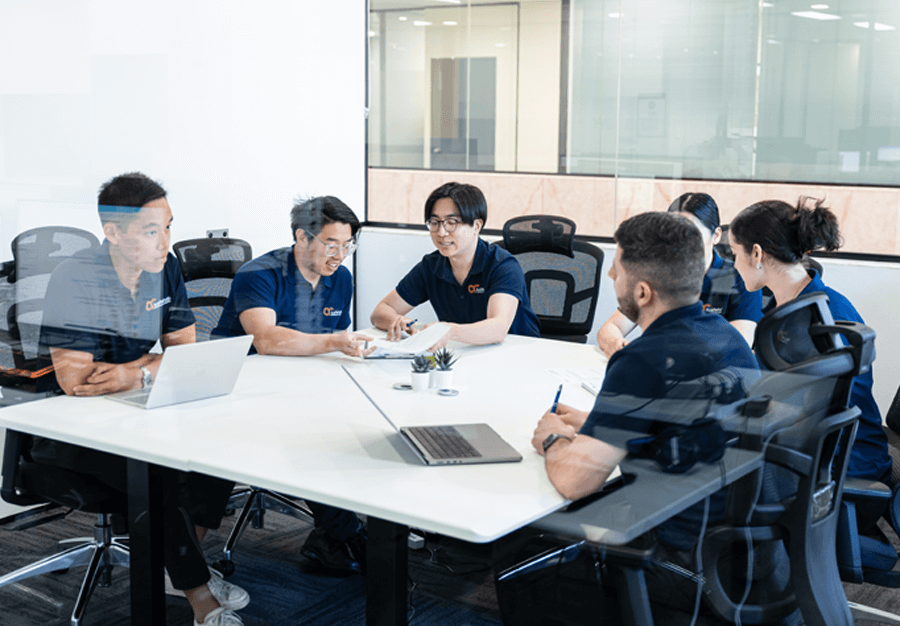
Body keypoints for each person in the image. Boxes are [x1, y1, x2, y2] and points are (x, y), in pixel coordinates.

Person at [34, 172, 247, 626]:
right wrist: (152, 365)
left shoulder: (165, 267)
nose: (165, 242)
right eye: (152, 231)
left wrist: (134, 372)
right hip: (75, 430)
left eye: (168, 227)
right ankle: (199, 596)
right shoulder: (76, 278)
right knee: (157, 472)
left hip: (139, 408)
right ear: (112, 233)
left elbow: (184, 352)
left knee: (225, 444)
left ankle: (178, 564)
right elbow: (78, 381)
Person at [531, 211, 758, 612]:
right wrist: (592, 424)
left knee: (530, 542)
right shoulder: (725, 336)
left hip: (680, 563)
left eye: (616, 270)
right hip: (744, 555)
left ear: (642, 293)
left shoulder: (643, 359)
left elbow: (574, 480)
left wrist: (551, 438)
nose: (609, 278)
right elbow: (688, 429)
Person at [212, 195, 369, 575]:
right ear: (302, 237)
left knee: (358, 425)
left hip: (300, 390)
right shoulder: (260, 274)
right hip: (238, 393)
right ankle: (353, 537)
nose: (341, 255)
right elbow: (265, 339)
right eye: (332, 244)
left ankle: (338, 535)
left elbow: (330, 343)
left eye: (348, 245)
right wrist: (334, 343)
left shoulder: (340, 279)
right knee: (318, 437)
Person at [729, 197, 892, 485]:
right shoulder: (789, 310)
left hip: (840, 463)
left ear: (756, 253)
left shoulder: (822, 318)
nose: (733, 264)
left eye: (734, 253)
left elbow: (802, 412)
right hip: (813, 450)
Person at [370, 182, 540, 349]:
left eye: (451, 223)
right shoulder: (431, 266)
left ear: (476, 226)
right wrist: (397, 320)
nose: (441, 232)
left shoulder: (502, 265)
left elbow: (497, 328)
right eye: (435, 222)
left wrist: (448, 331)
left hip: (517, 355)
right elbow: (380, 311)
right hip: (466, 353)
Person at [596, 193, 762, 358]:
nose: (679, 241)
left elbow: (739, 346)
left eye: (691, 232)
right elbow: (611, 327)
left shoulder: (740, 278)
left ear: (716, 235)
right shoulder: (660, 274)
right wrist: (615, 343)